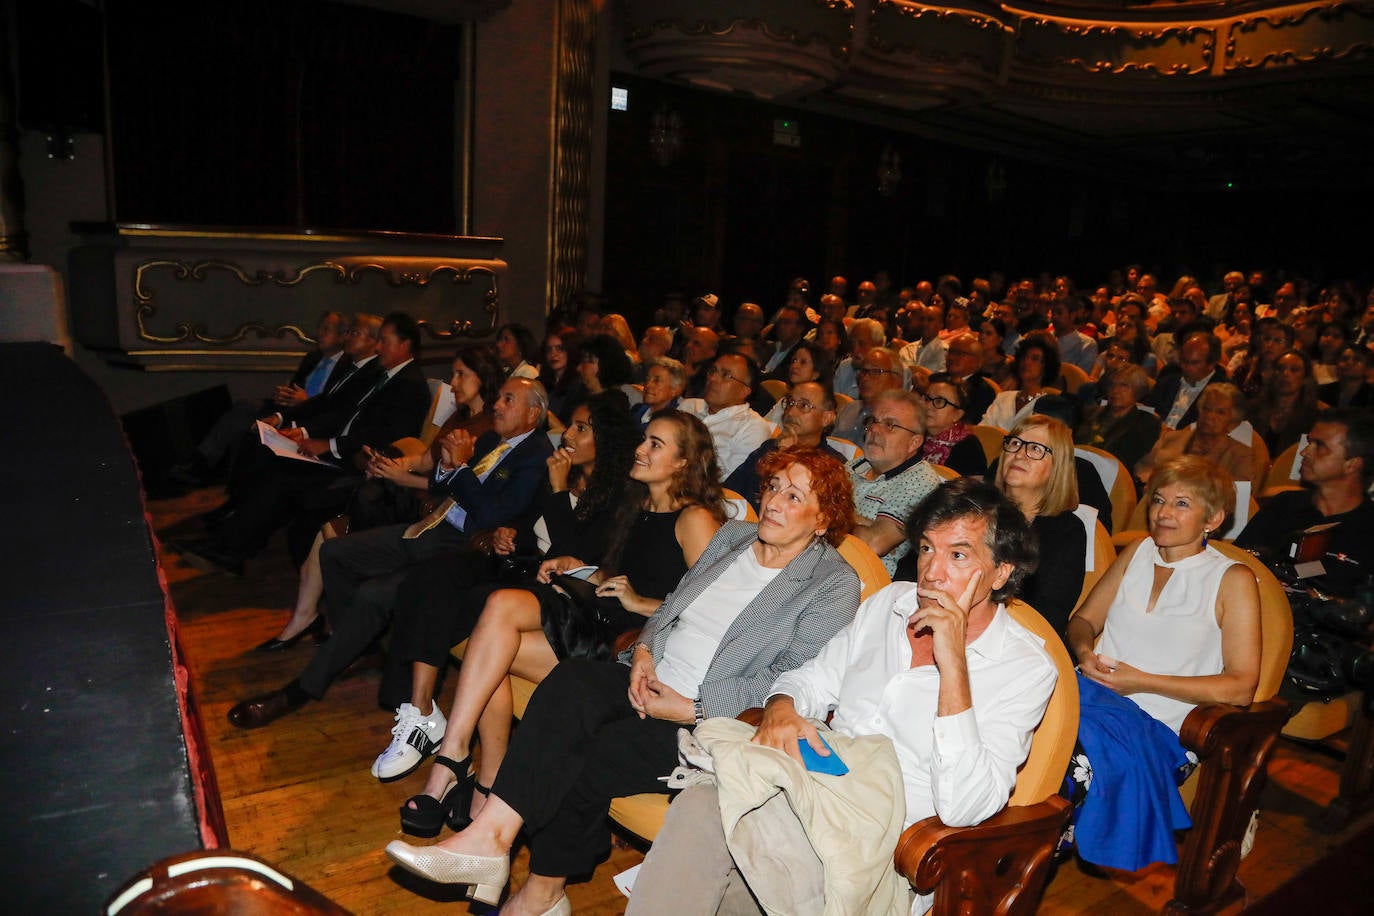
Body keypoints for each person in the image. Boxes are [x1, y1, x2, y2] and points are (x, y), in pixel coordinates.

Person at [383, 448, 864, 914]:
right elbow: (673, 605)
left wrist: (691, 709)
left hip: (705, 721)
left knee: (587, 748)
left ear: (824, 520)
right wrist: (645, 652)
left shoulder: (833, 583)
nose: (776, 502)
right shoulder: (732, 538)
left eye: (796, 497)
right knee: (571, 682)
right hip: (644, 679)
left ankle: (539, 891)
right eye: (774, 487)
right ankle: (491, 840)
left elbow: (794, 677)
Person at [625, 478, 1057, 916]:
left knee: (708, 831)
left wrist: (954, 668)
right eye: (927, 548)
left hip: (880, 848)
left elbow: (966, 808)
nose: (932, 571)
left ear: (1002, 571)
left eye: (958, 555)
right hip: (810, 795)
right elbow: (810, 679)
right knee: (707, 811)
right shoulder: (889, 604)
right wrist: (779, 708)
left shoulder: (1023, 668)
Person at [378, 410, 721, 809]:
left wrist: (640, 603)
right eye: (644, 440)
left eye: (654, 445)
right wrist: (582, 569)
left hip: (630, 647)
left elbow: (713, 611)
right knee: (494, 625)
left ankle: (463, 769)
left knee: (493, 633)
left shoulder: (694, 518)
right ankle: (474, 773)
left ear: (683, 462)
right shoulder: (637, 500)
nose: (640, 449)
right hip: (599, 617)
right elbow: (625, 574)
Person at [224, 378, 555, 729]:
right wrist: (446, 464)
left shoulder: (536, 458)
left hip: (466, 552)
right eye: (499, 397)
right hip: (433, 527)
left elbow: (493, 515)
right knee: (334, 554)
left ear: (533, 413)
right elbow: (442, 485)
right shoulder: (491, 440)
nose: (497, 406)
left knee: (372, 596)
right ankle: (361, 648)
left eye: (508, 400)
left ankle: (301, 689)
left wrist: (458, 469)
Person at [1065, 456, 1261, 871]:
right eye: (1158, 500)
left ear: (1215, 518)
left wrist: (1142, 681)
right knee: (1015, 730)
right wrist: (1084, 653)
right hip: (1089, 696)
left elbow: (1242, 686)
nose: (1164, 513)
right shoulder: (1137, 551)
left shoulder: (1232, 578)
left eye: (1182, 503)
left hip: (1160, 725)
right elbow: (1083, 621)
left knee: (1063, 763)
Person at [254, 344, 504, 651]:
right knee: (331, 529)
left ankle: (334, 626)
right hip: (416, 493)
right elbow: (426, 459)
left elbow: (453, 486)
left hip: (437, 512)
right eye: (453, 374)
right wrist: (392, 464)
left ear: (482, 378)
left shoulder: (489, 428)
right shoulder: (460, 416)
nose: (452, 383)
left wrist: (400, 476)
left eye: (460, 375)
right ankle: (311, 619)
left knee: (347, 514)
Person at [178, 312, 431, 575]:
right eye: (377, 340)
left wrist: (328, 445)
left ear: (405, 345)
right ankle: (227, 542)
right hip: (342, 453)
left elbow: (383, 435)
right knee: (270, 460)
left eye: (385, 341)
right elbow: (336, 408)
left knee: (282, 477)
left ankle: (229, 549)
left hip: (360, 466)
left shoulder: (409, 385)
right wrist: (306, 433)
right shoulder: (385, 375)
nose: (378, 347)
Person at [169, 311, 352, 487]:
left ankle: (219, 476)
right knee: (244, 408)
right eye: (320, 328)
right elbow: (295, 386)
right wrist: (285, 394)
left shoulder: (347, 366)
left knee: (251, 430)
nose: (319, 334)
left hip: (308, 417)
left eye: (326, 329)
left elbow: (331, 404)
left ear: (342, 336)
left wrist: (305, 400)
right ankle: (202, 462)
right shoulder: (313, 358)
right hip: (288, 408)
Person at [1237, 408, 1374, 597]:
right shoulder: (1284, 506)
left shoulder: (1367, 529)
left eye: (1320, 446)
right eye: (1309, 442)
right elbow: (1237, 563)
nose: (1304, 452)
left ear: (1352, 464)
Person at [994, 415, 1085, 643]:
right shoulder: (976, 508)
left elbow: (1047, 615)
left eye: (1035, 448)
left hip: (1017, 643)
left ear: (1058, 467)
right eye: (1014, 443)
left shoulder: (1067, 531)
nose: (1019, 453)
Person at [847, 390, 944, 574]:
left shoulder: (920, 481)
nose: (874, 429)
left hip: (861, 580)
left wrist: (831, 511)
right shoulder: (855, 464)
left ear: (914, 442)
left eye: (890, 425)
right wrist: (860, 521)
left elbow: (873, 542)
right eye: (873, 421)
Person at [726, 381, 846, 510]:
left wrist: (785, 457)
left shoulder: (833, 465)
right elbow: (730, 489)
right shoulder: (771, 446)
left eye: (804, 405)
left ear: (826, 418)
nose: (791, 412)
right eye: (790, 403)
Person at [1135, 383, 1256, 488]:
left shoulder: (1240, 455)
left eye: (1220, 412)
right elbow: (1142, 468)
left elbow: (1240, 497)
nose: (1210, 416)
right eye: (1207, 409)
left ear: (1233, 420)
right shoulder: (1172, 438)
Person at [677, 352, 774, 477]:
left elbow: (732, 480)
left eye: (726, 375)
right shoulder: (689, 406)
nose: (713, 378)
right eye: (713, 371)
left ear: (744, 391)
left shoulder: (752, 427)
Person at [1073, 363, 1161, 473]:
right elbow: (1075, 441)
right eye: (1112, 385)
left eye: (1124, 386)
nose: (1115, 390)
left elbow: (1124, 458)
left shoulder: (1146, 422)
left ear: (1138, 390)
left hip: (1113, 477)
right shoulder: (1094, 412)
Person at [1145, 332, 1226, 430]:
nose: (1185, 367)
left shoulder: (1223, 393)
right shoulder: (1169, 379)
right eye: (1183, 361)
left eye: (1194, 363)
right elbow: (1146, 409)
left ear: (1211, 364)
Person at [1248, 349, 1323, 454]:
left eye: (1294, 369)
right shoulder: (1253, 409)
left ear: (1305, 378)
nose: (1285, 374)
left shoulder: (1314, 417)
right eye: (1280, 368)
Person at [979, 333, 1061, 429]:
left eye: (1035, 359)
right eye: (1024, 356)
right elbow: (983, 431)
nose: (1026, 362)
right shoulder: (1003, 397)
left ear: (1047, 365)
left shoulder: (1047, 407)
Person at [916, 372, 987, 477]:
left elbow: (973, 490)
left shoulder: (967, 447)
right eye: (927, 399)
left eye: (939, 401)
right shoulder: (915, 435)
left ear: (957, 414)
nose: (929, 406)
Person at [832, 346, 904, 443]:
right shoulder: (849, 409)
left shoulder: (898, 422)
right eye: (863, 371)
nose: (865, 378)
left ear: (896, 381)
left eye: (875, 372)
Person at [631, 356, 687, 428]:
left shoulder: (674, 424)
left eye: (657, 381)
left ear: (675, 389)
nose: (648, 384)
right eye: (647, 379)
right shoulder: (637, 410)